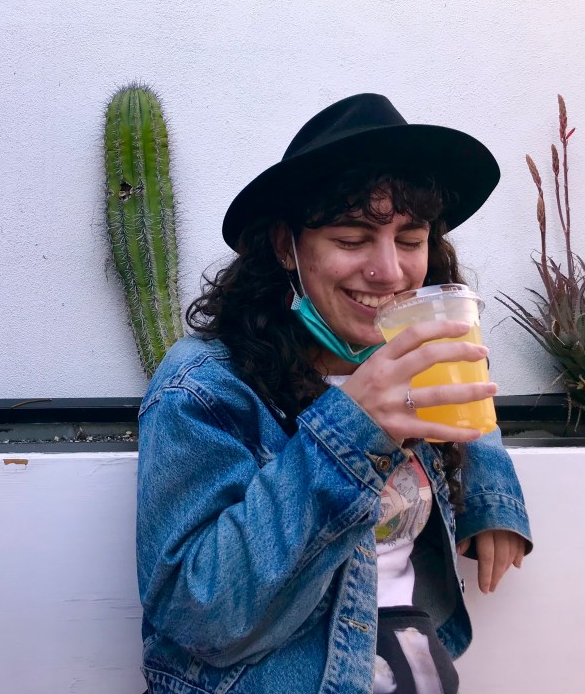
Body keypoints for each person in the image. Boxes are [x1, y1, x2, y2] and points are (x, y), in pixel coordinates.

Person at [136, 94, 532, 694]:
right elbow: (198, 614)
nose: (389, 271)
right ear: (285, 246)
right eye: (352, 239)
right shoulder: (204, 387)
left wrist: (492, 495)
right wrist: (352, 429)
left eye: (410, 238)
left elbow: (473, 406)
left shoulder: (412, 353)